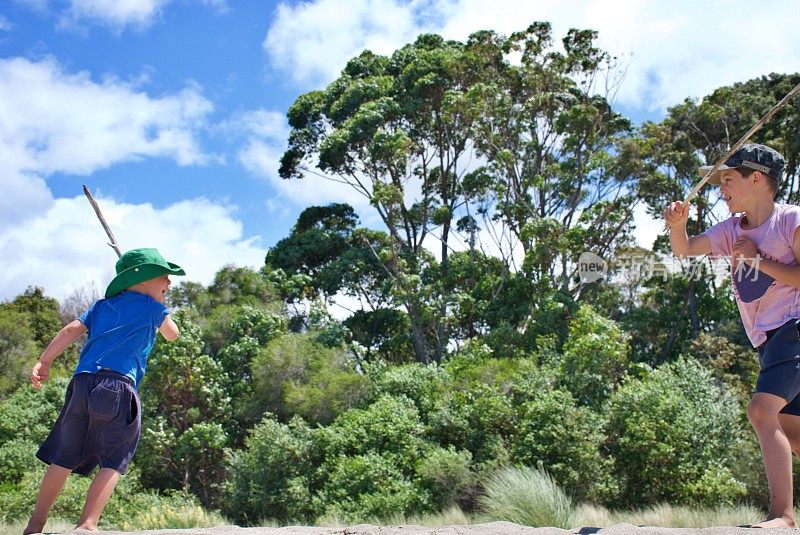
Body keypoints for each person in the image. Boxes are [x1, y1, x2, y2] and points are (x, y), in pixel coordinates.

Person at [663, 143, 800, 529]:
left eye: (727, 179)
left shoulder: (790, 221)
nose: (721, 188)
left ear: (756, 179)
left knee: (761, 411)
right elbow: (685, 249)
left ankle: (783, 516)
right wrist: (678, 226)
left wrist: (759, 260)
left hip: (795, 328)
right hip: (769, 341)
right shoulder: (730, 230)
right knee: (791, 431)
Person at [23, 248, 185, 534]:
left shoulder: (100, 306)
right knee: (115, 455)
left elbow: (72, 330)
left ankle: (35, 524)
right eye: (165, 277)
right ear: (145, 279)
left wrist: (45, 360)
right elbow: (174, 335)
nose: (169, 284)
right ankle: (87, 524)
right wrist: (156, 307)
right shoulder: (153, 308)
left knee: (64, 455)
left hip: (82, 384)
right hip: (119, 386)